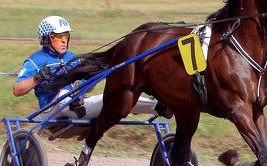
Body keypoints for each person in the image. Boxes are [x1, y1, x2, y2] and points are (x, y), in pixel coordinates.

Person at [13, 15, 162, 120]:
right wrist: (36, 78)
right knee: (63, 95)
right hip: (51, 109)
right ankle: (75, 101)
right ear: (46, 38)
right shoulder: (35, 60)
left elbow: (88, 89)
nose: (64, 40)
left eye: (66, 36)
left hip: (81, 105)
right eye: (59, 37)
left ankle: (156, 106)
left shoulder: (71, 56)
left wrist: (93, 79)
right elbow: (17, 90)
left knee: (118, 97)